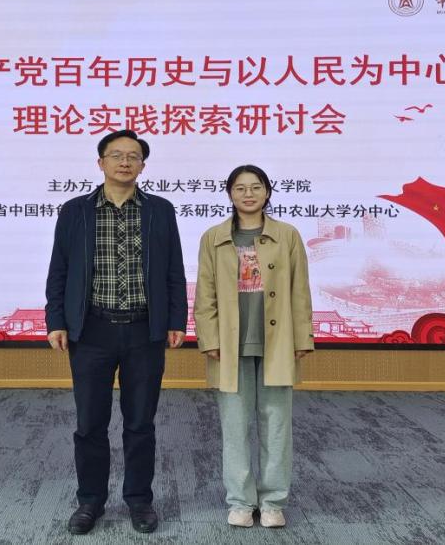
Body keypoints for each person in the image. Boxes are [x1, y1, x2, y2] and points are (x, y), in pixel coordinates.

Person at [45, 129, 188, 535]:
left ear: (143, 165)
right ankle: (90, 500)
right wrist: (56, 319)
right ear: (101, 162)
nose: (125, 162)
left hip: (144, 331)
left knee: (140, 423)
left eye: (133, 156)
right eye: (116, 155)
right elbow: (59, 269)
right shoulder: (75, 211)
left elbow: (174, 270)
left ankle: (139, 500)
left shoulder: (161, 210)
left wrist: (176, 319)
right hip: (91, 331)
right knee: (90, 423)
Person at [194, 164, 314, 529]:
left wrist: (302, 337)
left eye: (256, 187)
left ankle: (273, 501)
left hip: (278, 342)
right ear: (230, 194)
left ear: (267, 192)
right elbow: (205, 293)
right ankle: (241, 502)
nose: (248, 194)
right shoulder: (214, 237)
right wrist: (209, 338)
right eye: (240, 188)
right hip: (229, 345)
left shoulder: (287, 235)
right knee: (234, 426)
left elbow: (299, 290)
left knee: (276, 425)